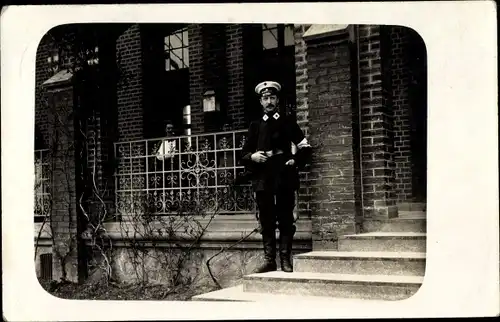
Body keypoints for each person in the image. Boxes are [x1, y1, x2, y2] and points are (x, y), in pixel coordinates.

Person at [240, 81, 312, 273]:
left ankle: (285, 260)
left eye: (272, 97)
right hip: (263, 176)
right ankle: (269, 260)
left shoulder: (287, 122)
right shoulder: (255, 125)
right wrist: (253, 156)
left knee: (286, 218)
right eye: (265, 98)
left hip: (283, 174)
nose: (269, 101)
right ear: (261, 102)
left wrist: (295, 161)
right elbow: (244, 153)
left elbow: (306, 147)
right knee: (266, 219)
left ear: (277, 99)